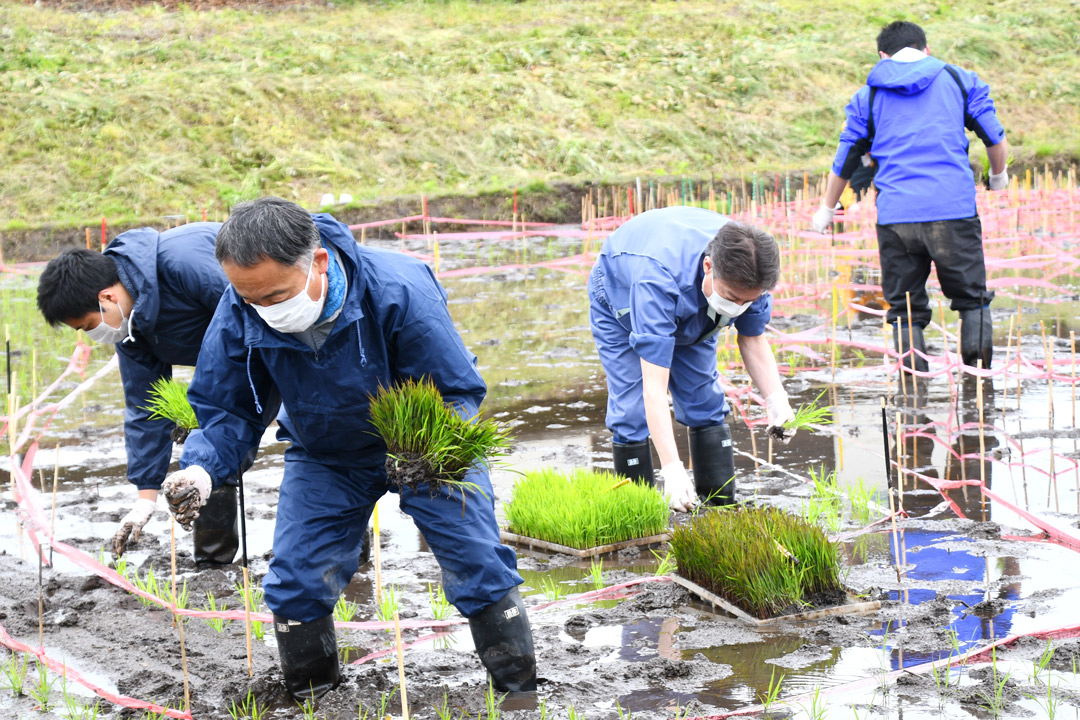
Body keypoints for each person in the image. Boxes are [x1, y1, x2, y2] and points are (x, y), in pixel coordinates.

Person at [158, 197, 535, 700]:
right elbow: (228, 407)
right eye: (251, 300)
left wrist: (427, 449)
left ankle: (519, 694)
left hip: (425, 448)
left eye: (275, 295)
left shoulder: (397, 288)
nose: (263, 309)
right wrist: (203, 469)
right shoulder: (241, 307)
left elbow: (454, 390)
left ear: (317, 262)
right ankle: (315, 697)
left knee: (477, 561)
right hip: (326, 455)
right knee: (295, 581)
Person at [35, 222, 274, 563]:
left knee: (316, 442)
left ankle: (347, 559)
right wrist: (144, 500)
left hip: (280, 339)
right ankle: (213, 565)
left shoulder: (185, 263)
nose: (94, 336)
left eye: (89, 326)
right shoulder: (129, 328)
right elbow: (146, 406)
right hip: (225, 364)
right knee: (202, 448)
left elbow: (259, 317)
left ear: (107, 297)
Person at [813, 20, 1009, 372]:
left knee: (904, 309)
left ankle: (912, 392)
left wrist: (827, 208)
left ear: (882, 56)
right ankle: (979, 387)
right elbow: (994, 138)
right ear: (926, 49)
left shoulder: (867, 96)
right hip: (953, 212)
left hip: (896, 218)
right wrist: (998, 175)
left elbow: (845, 160)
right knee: (972, 300)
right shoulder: (960, 80)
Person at [588, 205, 796, 512]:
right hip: (621, 297)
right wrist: (671, 468)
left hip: (695, 300)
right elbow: (655, 388)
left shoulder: (752, 270)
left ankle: (720, 508)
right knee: (632, 410)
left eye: (747, 301)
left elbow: (752, 338)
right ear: (709, 266)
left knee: (704, 401)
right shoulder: (656, 282)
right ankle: (637, 518)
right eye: (732, 296)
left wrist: (776, 399)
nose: (739, 306)